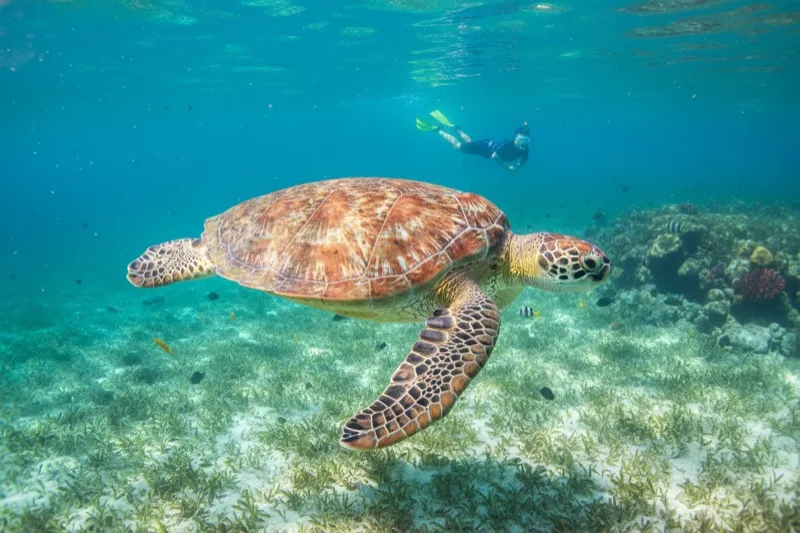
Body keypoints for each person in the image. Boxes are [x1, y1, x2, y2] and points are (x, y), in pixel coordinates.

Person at [416, 110, 530, 172]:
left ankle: (456, 129)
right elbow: (495, 156)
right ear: (515, 138)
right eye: (520, 139)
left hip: (485, 145)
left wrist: (518, 166)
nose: (522, 143)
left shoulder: (525, 150)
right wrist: (506, 167)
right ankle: (438, 130)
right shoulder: (508, 145)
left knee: (470, 142)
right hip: (483, 147)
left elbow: (523, 162)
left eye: (525, 140)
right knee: (458, 146)